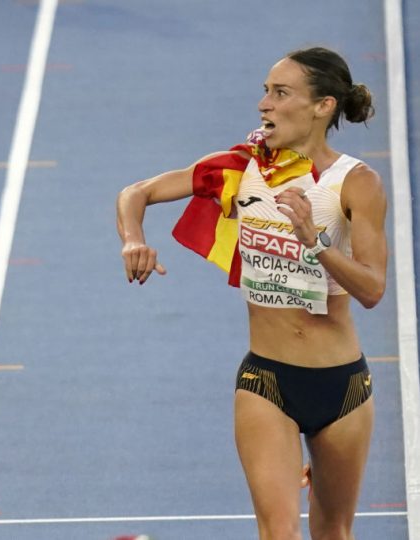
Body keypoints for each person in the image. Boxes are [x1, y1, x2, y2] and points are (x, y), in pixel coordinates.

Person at [116, 46, 386, 539]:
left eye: (280, 93)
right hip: (267, 380)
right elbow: (137, 192)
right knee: (278, 533)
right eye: (265, 91)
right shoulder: (242, 169)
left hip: (344, 386)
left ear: (323, 106)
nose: (264, 104)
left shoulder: (356, 183)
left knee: (334, 532)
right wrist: (134, 239)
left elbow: (372, 289)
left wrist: (315, 241)